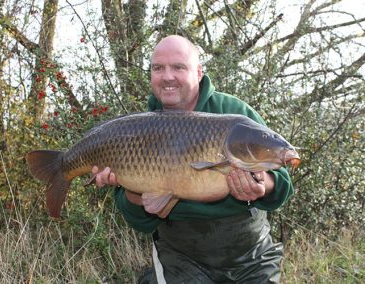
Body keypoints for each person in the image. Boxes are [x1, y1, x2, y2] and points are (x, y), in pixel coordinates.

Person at [92, 35, 294, 283]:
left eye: (178, 67)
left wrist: (262, 184)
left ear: (198, 72)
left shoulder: (235, 114)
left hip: (248, 254)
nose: (167, 76)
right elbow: (140, 221)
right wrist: (131, 190)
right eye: (158, 68)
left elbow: (283, 186)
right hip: (180, 256)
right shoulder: (137, 128)